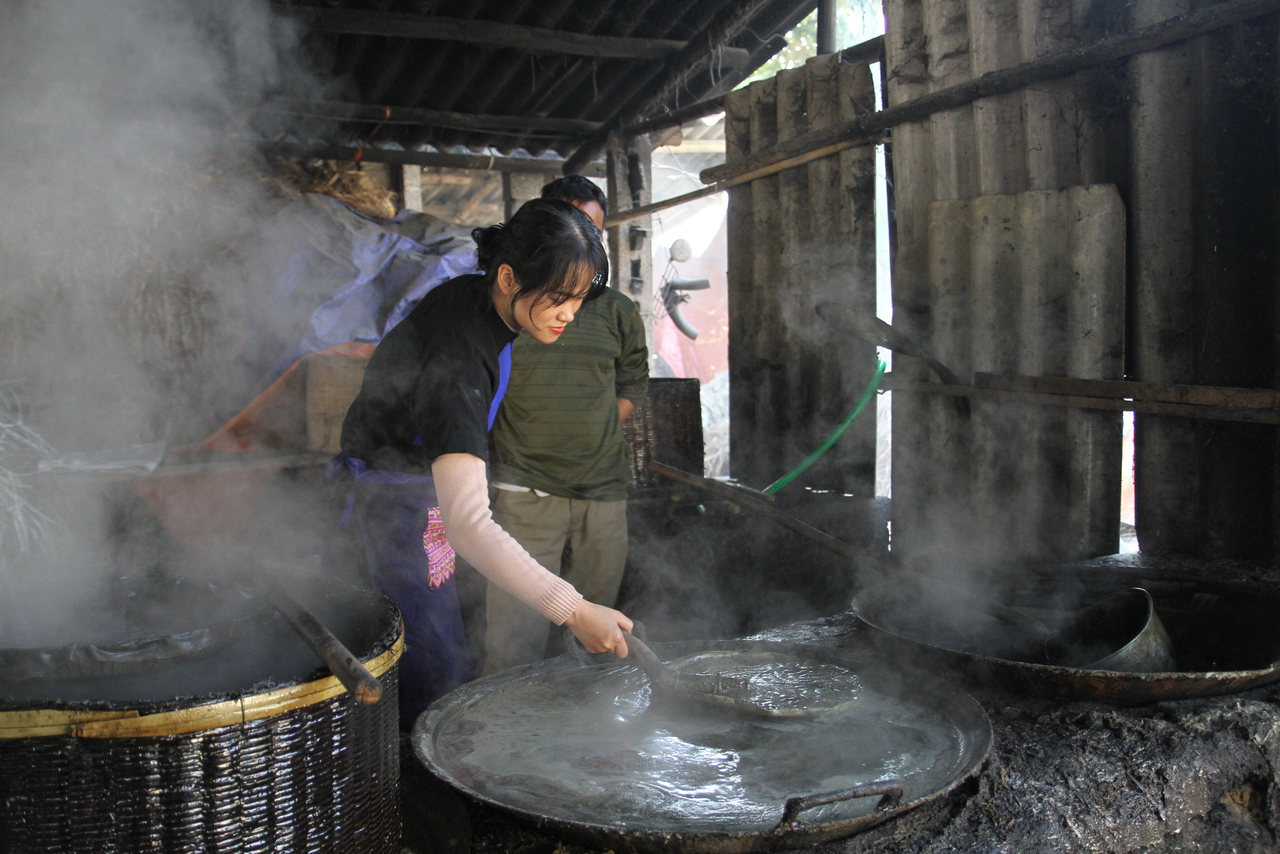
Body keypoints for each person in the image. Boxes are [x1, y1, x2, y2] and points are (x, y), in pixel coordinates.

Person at [337, 198, 633, 729]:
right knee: (433, 664)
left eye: (580, 298)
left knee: (460, 635)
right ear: (507, 276)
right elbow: (469, 525)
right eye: (559, 297)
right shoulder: (459, 359)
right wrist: (578, 611)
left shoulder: (476, 301)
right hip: (397, 497)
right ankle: (418, 785)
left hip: (422, 484)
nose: (571, 313)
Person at [482, 176, 649, 675]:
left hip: (602, 490)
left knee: (598, 634)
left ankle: (585, 743)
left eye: (592, 232)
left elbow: (632, 387)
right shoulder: (513, 308)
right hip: (525, 488)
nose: (583, 244)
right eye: (569, 228)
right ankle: (501, 739)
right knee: (514, 635)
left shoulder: (619, 311)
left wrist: (592, 433)